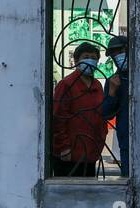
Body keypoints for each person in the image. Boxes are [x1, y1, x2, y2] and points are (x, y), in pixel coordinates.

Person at [50, 42, 107, 177]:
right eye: (86, 57)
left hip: (91, 152)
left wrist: (100, 143)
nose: (91, 61)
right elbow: (58, 117)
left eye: (94, 58)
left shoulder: (97, 85)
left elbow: (101, 116)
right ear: (76, 61)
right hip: (69, 154)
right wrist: (63, 147)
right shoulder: (66, 84)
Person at [100, 35, 129, 177]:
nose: (117, 56)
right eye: (113, 54)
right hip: (126, 141)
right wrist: (112, 93)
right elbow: (106, 113)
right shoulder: (113, 81)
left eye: (120, 51)